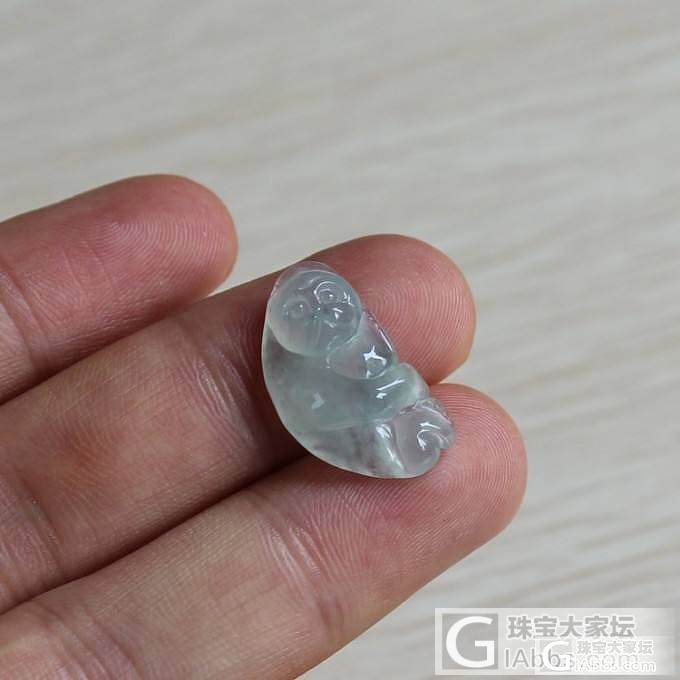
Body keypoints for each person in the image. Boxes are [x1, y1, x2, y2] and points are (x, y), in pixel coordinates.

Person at [0, 175, 526, 679]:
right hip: (356, 423)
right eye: (307, 309)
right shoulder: (310, 368)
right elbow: (347, 402)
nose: (325, 314)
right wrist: (384, 393)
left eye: (331, 303)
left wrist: (392, 389)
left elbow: (384, 380)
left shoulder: (356, 345)